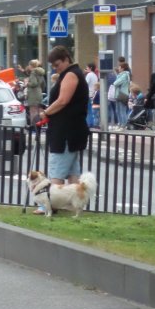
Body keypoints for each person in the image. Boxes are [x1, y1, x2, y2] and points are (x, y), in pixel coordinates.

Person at [37, 46, 90, 214]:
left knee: (57, 170)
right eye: (53, 66)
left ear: (67, 59)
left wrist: (45, 113)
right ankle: (76, 205)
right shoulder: (72, 73)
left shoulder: (71, 74)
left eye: (57, 64)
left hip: (66, 131)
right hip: (72, 130)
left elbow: (62, 100)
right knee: (73, 173)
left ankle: (49, 205)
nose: (55, 68)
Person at [23, 59, 46, 127]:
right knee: (39, 110)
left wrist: (27, 83)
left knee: (33, 111)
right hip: (39, 93)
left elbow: (34, 83)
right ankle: (41, 125)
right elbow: (43, 84)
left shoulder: (33, 72)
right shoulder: (40, 72)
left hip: (33, 94)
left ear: (31, 65)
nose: (28, 66)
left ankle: (34, 127)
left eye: (29, 65)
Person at [112, 62, 132, 130]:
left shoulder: (124, 75)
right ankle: (120, 124)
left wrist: (116, 78)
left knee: (122, 110)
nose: (118, 68)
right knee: (118, 110)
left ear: (123, 68)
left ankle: (123, 125)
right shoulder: (121, 75)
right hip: (118, 94)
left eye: (119, 67)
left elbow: (116, 83)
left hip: (122, 94)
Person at [84, 63, 99, 128]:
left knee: (88, 110)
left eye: (87, 67)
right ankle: (92, 123)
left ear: (90, 68)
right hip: (93, 94)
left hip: (88, 94)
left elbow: (85, 84)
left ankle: (88, 123)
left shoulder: (89, 75)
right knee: (91, 110)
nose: (86, 69)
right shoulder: (95, 75)